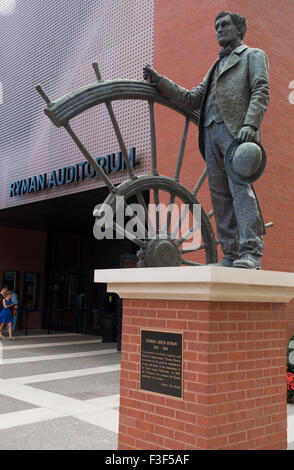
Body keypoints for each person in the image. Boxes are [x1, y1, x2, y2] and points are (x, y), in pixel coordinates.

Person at [143, 11, 269, 269]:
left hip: (235, 133)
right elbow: (192, 99)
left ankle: (251, 252)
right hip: (210, 135)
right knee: (220, 196)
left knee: (240, 192)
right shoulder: (215, 66)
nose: (219, 30)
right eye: (216, 26)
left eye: (224, 25)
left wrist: (250, 123)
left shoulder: (253, 56)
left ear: (239, 28)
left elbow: (261, 90)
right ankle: (231, 254)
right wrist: (160, 81)